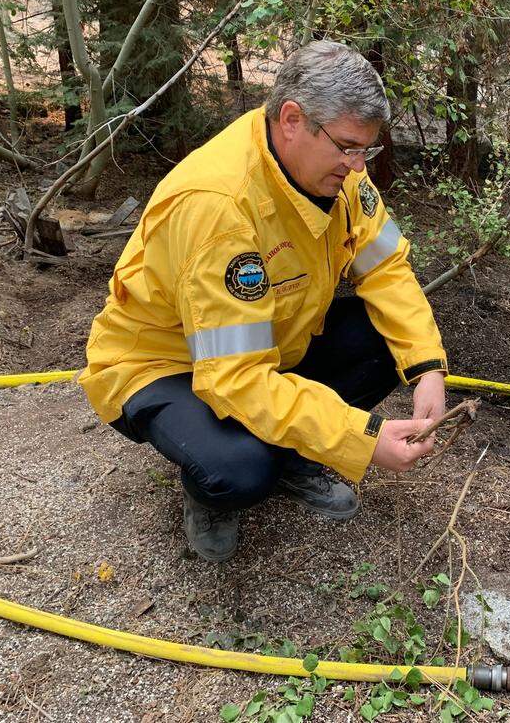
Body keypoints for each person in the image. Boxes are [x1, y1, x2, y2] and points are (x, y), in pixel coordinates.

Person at [79, 41, 448, 562]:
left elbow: (384, 266)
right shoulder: (219, 205)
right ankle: (211, 490)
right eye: (347, 147)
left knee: (389, 341)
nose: (358, 165)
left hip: (264, 347)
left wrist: (427, 367)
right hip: (162, 363)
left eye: (367, 149)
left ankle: (294, 457)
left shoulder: (341, 174)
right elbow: (234, 376)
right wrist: (359, 437)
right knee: (240, 469)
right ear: (292, 120)